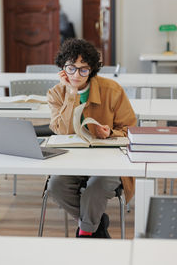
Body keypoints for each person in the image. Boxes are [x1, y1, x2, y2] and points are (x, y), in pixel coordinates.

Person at [47, 38, 137, 238]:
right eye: (71, 68)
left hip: (110, 161)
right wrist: (72, 93)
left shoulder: (112, 90)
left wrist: (110, 133)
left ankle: (86, 232)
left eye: (83, 69)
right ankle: (96, 226)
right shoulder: (56, 93)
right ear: (63, 68)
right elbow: (61, 130)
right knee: (56, 185)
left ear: (92, 70)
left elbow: (130, 129)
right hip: (72, 159)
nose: (76, 75)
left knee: (95, 188)